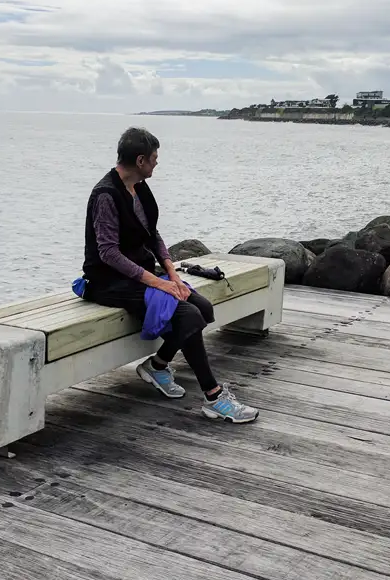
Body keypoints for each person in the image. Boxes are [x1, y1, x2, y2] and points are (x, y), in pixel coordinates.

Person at [80, 127, 259, 424]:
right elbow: (109, 254)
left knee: (200, 306)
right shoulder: (106, 196)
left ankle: (159, 365)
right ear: (140, 160)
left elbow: (153, 234)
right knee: (187, 315)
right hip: (107, 281)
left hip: (140, 275)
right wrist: (158, 283)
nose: (157, 163)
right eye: (154, 158)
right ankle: (214, 397)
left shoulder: (139, 186)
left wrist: (173, 275)